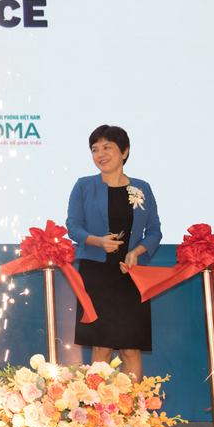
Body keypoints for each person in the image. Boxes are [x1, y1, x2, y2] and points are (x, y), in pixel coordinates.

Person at [66, 124, 161, 380]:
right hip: (96, 274)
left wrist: (137, 251)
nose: (100, 154)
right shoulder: (84, 186)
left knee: (131, 348)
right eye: (95, 149)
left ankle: (134, 405)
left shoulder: (142, 188)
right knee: (101, 346)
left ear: (124, 151)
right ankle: (99, 406)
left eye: (107, 147)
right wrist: (97, 241)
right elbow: (73, 226)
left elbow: (154, 231)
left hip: (132, 274)